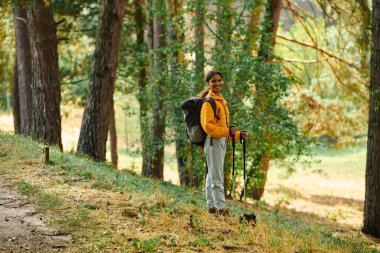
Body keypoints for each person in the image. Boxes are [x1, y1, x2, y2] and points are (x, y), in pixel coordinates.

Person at [199, 70, 248, 215]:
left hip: (219, 141)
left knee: (212, 175)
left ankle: (212, 207)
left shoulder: (221, 101)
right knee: (217, 177)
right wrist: (228, 132)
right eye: (213, 81)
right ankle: (221, 209)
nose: (217, 83)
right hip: (213, 142)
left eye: (219, 80)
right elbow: (208, 127)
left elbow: (224, 129)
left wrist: (238, 135)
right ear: (208, 84)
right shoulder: (209, 102)